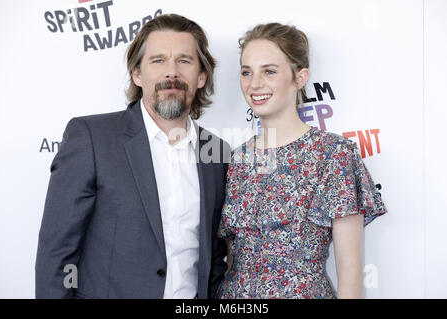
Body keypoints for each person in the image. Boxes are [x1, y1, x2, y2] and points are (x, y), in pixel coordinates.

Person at [35, 14, 230, 299]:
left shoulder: (218, 154)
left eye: (184, 61)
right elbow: (57, 253)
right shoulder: (92, 138)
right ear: (137, 74)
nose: (171, 73)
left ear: (201, 77)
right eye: (158, 60)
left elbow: (214, 256)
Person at [216, 23, 387, 299]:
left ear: (300, 77)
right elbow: (233, 259)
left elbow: (351, 272)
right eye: (247, 72)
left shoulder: (333, 154)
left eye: (269, 71)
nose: (254, 83)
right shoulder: (237, 159)